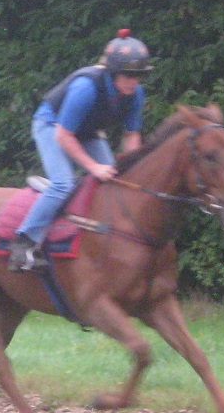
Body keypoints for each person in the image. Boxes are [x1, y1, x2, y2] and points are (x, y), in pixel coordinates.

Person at [8, 28, 153, 272]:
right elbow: (63, 136)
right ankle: (24, 243)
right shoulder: (86, 87)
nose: (134, 81)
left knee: (114, 179)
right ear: (113, 72)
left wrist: (133, 170)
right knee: (63, 183)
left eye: (139, 75)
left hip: (86, 132)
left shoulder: (135, 93)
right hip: (51, 125)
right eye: (129, 74)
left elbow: (131, 135)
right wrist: (94, 167)